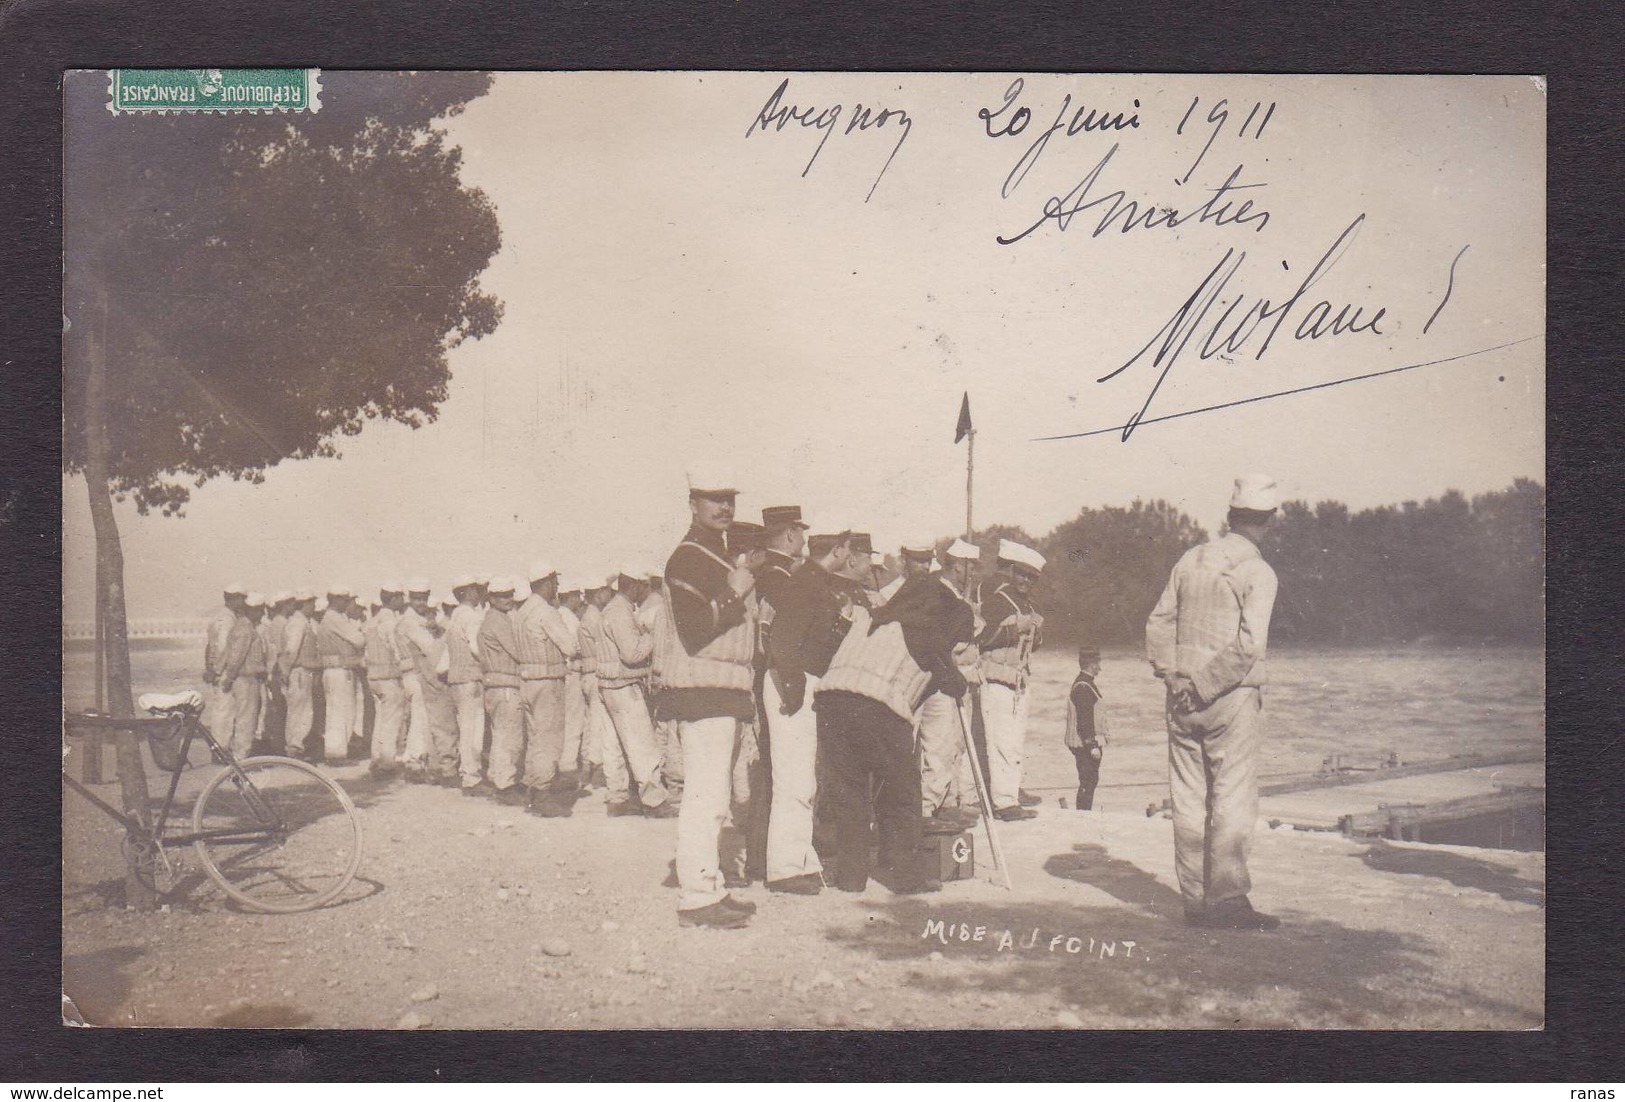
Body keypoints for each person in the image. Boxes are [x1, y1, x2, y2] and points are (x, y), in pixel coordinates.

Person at [1147, 474, 1283, 931]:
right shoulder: (1258, 572)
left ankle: (1194, 901)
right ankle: (1226, 900)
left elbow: (1159, 623)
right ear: (1269, 521)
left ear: (1230, 516)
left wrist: (1173, 676)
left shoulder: (1191, 559)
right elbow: (1248, 647)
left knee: (1186, 797)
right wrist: (1204, 684)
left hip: (1180, 695)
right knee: (1232, 796)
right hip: (1230, 696)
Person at [815, 569, 976, 893]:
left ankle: (851, 877)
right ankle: (906, 876)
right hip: (877, 708)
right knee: (901, 794)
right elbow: (953, 683)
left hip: (831, 702)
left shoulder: (872, 620)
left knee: (850, 794)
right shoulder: (924, 631)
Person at [656, 465, 760, 929]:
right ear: (692, 502)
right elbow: (697, 631)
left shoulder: (715, 557)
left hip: (723, 689)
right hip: (702, 689)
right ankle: (696, 898)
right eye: (713, 498)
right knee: (705, 795)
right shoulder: (689, 557)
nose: (725, 507)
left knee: (715, 795)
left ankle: (710, 884)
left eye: (730, 497)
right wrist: (738, 589)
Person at [761, 528, 853, 894]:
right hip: (791, 682)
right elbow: (783, 640)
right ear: (840, 548)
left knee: (803, 780)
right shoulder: (806, 582)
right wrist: (795, 687)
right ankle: (784, 869)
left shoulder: (815, 580)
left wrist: (842, 622)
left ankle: (800, 861)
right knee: (793, 781)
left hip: (798, 679)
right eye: (849, 547)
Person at [918, 538, 985, 832]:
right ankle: (926, 808)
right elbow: (943, 645)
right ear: (958, 566)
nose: (974, 575)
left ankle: (943, 804)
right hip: (942, 683)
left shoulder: (955, 597)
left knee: (953, 745)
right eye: (971, 568)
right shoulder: (941, 596)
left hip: (957, 681)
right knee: (938, 745)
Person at [978, 539, 1047, 821]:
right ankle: (1004, 803)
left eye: (1032, 578)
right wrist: (1014, 630)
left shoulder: (1027, 603)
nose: (1026, 581)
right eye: (1022, 574)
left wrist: (1035, 634)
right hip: (996, 679)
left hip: (1018, 681)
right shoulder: (997, 600)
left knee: (1014, 743)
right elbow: (980, 639)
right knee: (1001, 743)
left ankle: (1010, 794)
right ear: (1012, 572)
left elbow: (1031, 645)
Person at [598, 570, 674, 817]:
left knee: (614, 745)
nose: (645, 592)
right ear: (634, 586)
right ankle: (654, 801)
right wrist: (650, 636)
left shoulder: (611, 609)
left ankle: (618, 799)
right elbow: (631, 654)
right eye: (643, 587)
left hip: (610, 685)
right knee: (642, 745)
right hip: (624, 685)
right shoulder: (620, 612)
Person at [514, 562, 583, 816]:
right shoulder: (546, 611)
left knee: (534, 737)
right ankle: (542, 795)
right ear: (546, 583)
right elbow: (569, 647)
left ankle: (533, 788)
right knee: (549, 739)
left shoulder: (522, 611)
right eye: (555, 582)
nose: (557, 587)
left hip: (527, 679)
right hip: (547, 680)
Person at [398, 579, 458, 786]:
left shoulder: (421, 620)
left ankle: (424, 764)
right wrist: (442, 633)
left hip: (420, 673)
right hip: (415, 675)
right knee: (421, 721)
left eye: (424, 598)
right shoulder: (409, 622)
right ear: (410, 598)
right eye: (417, 598)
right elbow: (430, 647)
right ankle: (415, 763)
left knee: (426, 721)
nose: (421, 603)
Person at [477, 577, 528, 805]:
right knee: (509, 738)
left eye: (510, 594)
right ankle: (505, 785)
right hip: (506, 685)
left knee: (501, 736)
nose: (508, 599)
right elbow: (518, 651)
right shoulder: (498, 621)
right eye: (502, 596)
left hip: (495, 685)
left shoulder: (492, 619)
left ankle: (500, 780)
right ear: (491, 599)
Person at [447, 575, 490, 796]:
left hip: (456, 678)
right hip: (471, 677)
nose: (480, 592)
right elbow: (476, 648)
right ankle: (472, 778)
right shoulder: (471, 617)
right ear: (468, 591)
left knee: (465, 727)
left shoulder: (454, 616)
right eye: (477, 589)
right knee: (473, 729)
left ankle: (467, 773)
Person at [316, 585, 366, 763]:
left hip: (333, 670)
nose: (347, 604)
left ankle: (336, 751)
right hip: (341, 670)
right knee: (341, 712)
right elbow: (359, 640)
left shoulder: (328, 618)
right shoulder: (336, 618)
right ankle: (336, 753)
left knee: (336, 711)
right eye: (345, 600)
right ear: (336, 600)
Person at [576, 577, 617, 794]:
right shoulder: (595, 618)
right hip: (596, 674)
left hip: (588, 673)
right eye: (607, 590)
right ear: (599, 592)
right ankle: (594, 769)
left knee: (591, 723)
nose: (610, 594)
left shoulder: (589, 616)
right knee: (598, 724)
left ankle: (589, 768)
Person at [364, 583, 409, 779]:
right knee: (391, 722)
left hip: (373, 676)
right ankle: (387, 764)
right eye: (400, 597)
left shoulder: (371, 622)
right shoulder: (391, 623)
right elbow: (398, 651)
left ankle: (376, 759)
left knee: (380, 720)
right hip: (390, 677)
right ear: (394, 599)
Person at [217, 592, 269, 759]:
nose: (262, 614)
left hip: (246, 679)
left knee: (243, 718)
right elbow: (236, 658)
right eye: (260, 610)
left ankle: (240, 755)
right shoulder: (246, 629)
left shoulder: (241, 627)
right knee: (246, 720)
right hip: (246, 680)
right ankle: (241, 758)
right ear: (252, 611)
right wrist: (229, 678)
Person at [1064, 645, 1111, 811]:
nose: (1100, 668)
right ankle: (1083, 814)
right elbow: (1085, 721)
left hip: (1085, 742)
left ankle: (1084, 812)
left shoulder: (1086, 684)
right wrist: (1092, 746)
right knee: (1088, 780)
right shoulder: (1084, 687)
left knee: (1090, 779)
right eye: (1098, 663)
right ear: (1092, 664)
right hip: (1085, 744)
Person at [556, 578, 590, 788]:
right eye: (577, 594)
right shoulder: (569, 619)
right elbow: (574, 648)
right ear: (571, 597)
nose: (580, 599)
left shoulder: (559, 615)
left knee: (565, 720)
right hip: (573, 671)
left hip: (563, 674)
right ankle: (568, 765)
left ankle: (565, 763)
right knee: (574, 720)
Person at [203, 583, 248, 736]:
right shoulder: (228, 619)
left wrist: (210, 667)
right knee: (225, 712)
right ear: (234, 599)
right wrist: (219, 671)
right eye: (242, 599)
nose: (243, 603)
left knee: (221, 711)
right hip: (222, 671)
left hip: (217, 669)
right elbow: (224, 647)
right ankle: (220, 748)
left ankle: (219, 747)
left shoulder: (218, 616)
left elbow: (210, 646)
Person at [281, 589, 320, 758]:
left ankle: (297, 747)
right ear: (304, 604)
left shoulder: (304, 621)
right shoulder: (299, 623)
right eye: (311, 603)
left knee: (302, 711)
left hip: (302, 672)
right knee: (300, 712)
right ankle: (295, 748)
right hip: (299, 672)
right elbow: (291, 650)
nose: (314, 607)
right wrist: (286, 672)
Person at [256, 592, 292, 754]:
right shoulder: (281, 623)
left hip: (274, 671)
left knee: (276, 709)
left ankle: (275, 742)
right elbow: (279, 651)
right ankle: (277, 745)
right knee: (278, 709)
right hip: (277, 671)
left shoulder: (275, 623)